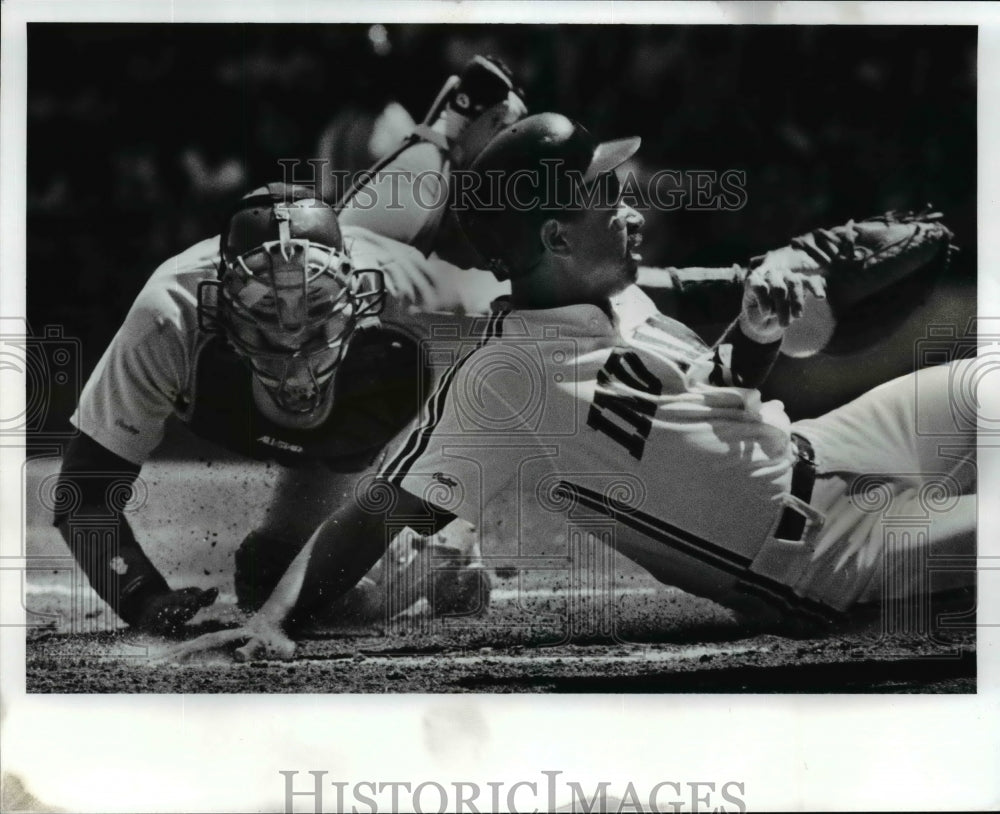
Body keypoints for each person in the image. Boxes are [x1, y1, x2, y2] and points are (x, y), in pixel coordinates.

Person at [168, 112, 975, 661]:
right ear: (555, 235)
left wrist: (758, 340)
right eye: (608, 195)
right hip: (822, 560)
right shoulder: (505, 381)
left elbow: (715, 400)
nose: (630, 206)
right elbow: (377, 512)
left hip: (828, 446)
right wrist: (273, 619)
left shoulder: (619, 296)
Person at [53, 183, 496, 634]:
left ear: (359, 294)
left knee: (301, 598)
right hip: (337, 425)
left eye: (317, 318)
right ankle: (418, 550)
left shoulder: (415, 296)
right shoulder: (168, 317)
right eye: (266, 324)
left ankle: (440, 548)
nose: (292, 347)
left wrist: (445, 491)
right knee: (270, 582)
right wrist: (142, 597)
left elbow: (539, 321)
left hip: (369, 426)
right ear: (216, 307)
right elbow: (84, 493)